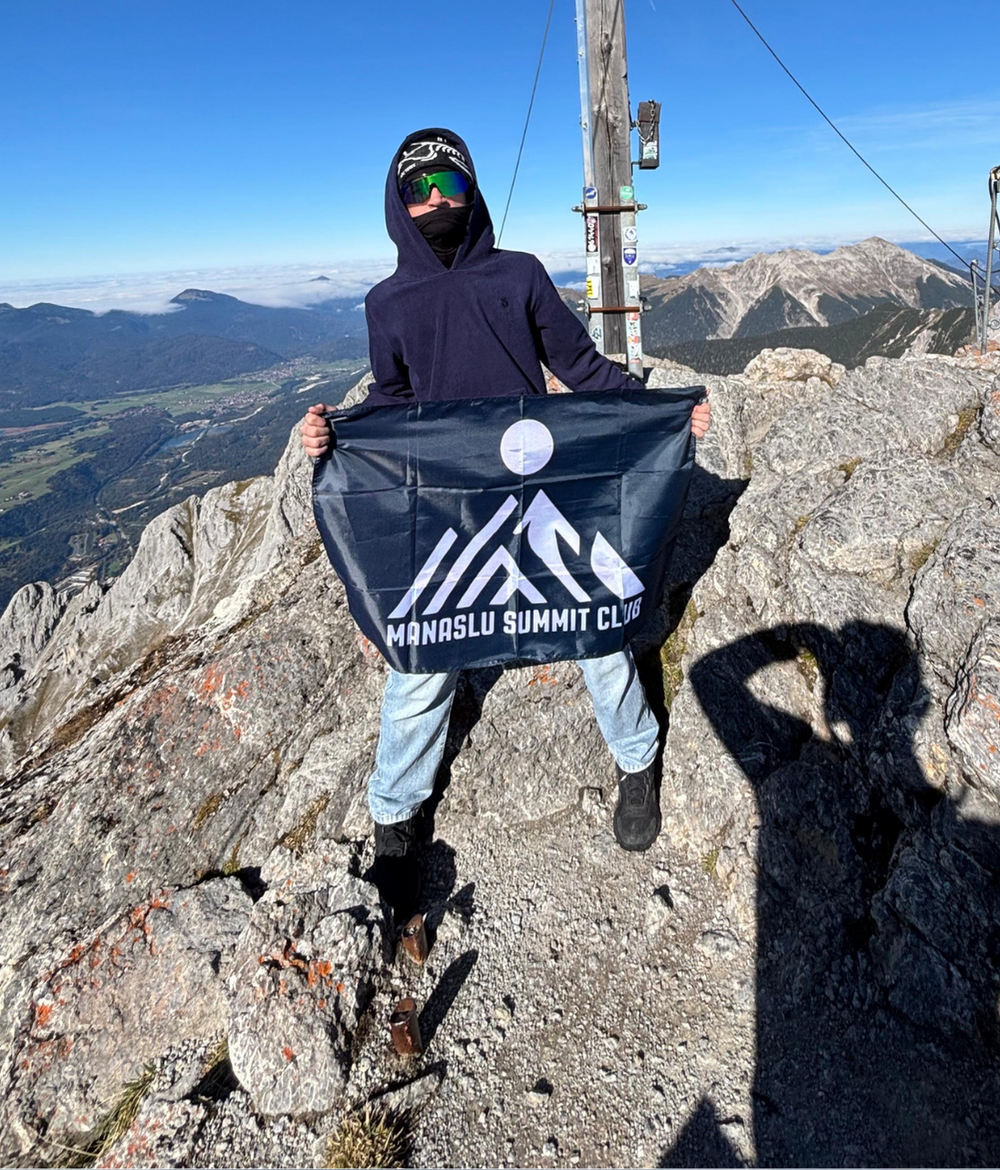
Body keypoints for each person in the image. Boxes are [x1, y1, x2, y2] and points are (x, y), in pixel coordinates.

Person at [301, 129, 710, 916]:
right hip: (452, 504)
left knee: (597, 629)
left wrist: (666, 413)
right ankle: (394, 824)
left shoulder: (518, 275)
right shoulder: (387, 304)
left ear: (473, 192)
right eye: (421, 190)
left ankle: (636, 760)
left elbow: (584, 371)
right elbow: (390, 399)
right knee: (420, 663)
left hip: (535, 491)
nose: (437, 204)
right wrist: (333, 432)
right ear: (397, 204)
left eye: (452, 187)